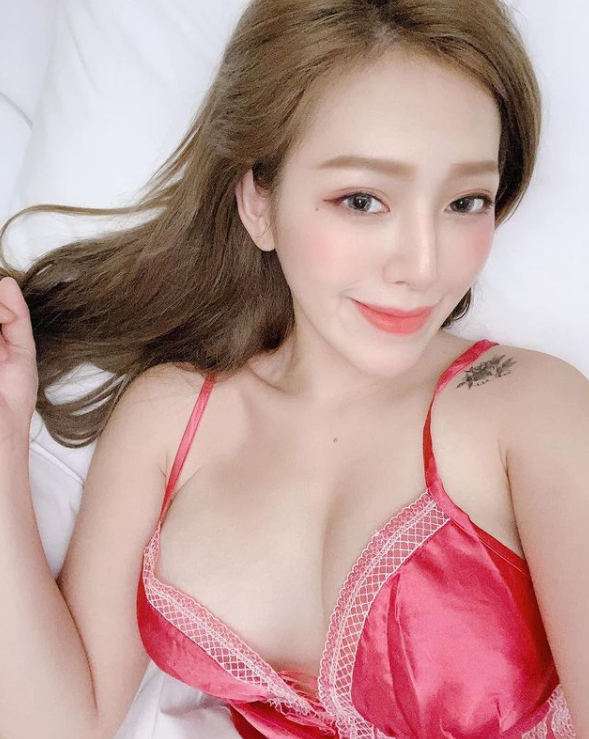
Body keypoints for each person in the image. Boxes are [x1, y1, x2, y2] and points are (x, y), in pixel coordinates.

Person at [0, 0, 587, 737]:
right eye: (362, 200)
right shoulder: (171, 417)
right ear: (259, 203)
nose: (422, 265)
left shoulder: (529, 410)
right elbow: (55, 723)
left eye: (464, 201)